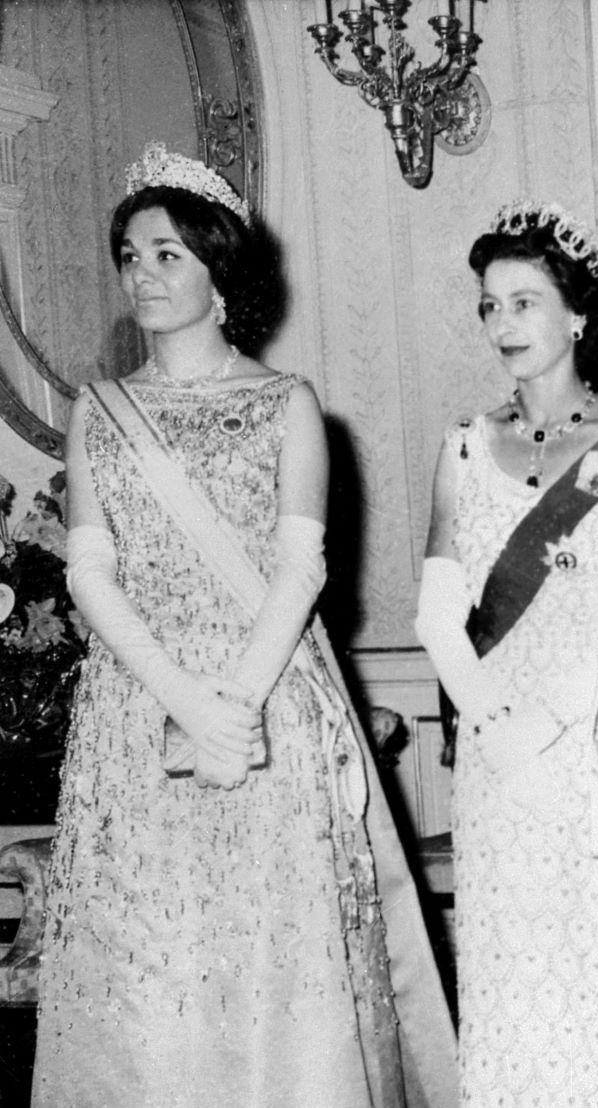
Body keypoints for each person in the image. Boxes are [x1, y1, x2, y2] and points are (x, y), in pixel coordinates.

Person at [35, 143, 457, 1106]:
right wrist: (183, 699)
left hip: (268, 707)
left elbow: (298, 565)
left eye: (168, 253)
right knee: (153, 958)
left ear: (220, 271)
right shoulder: (98, 411)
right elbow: (91, 569)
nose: (143, 273)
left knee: (273, 951)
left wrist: (232, 705)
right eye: (131, 255)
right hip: (138, 714)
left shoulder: (286, 404)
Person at [413, 200, 598, 1106]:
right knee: (514, 983)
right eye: (489, 305)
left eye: (524, 302)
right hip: (497, 757)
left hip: (596, 739)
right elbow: (436, 611)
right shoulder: (462, 444)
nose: (503, 325)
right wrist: (495, 726)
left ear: (576, 315)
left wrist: (543, 721)